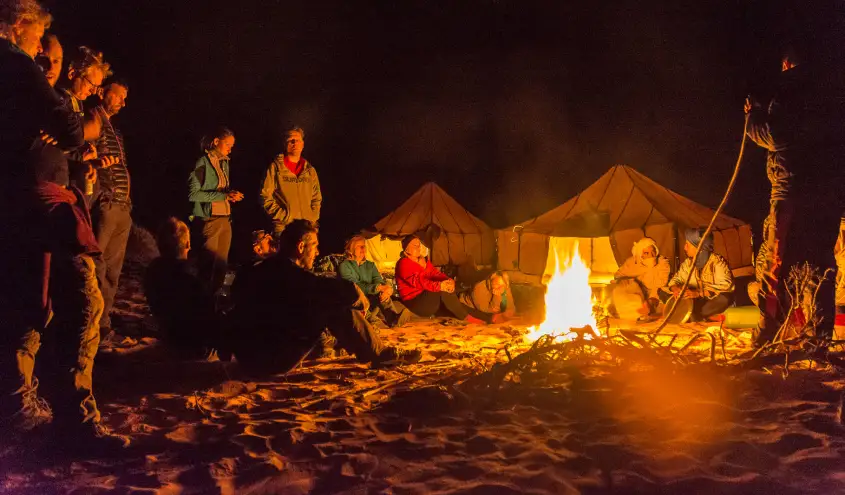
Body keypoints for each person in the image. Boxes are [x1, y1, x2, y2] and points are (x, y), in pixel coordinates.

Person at [228, 220, 421, 375]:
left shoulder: (258, 270)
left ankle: (336, 345)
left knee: (321, 299)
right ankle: (378, 353)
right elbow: (349, 292)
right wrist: (361, 301)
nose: (318, 253)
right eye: (315, 246)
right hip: (271, 360)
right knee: (333, 304)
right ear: (301, 247)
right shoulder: (296, 276)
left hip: (245, 357)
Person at [745, 45, 845, 343]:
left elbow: (778, 136)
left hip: (792, 191)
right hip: (827, 194)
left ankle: (769, 332)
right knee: (820, 262)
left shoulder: (791, 91)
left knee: (776, 263)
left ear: (788, 65)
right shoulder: (834, 96)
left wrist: (754, 118)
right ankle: (819, 335)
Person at [145, 218, 224, 359]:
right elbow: (205, 316)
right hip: (195, 347)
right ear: (188, 243)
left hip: (167, 337)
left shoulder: (153, 270)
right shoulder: (190, 276)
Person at [88, 80, 131, 341]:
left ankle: (103, 325)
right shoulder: (93, 120)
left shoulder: (114, 130)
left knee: (113, 272)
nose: (123, 103)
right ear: (104, 93)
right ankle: (90, 323)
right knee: (96, 267)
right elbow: (83, 151)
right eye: (119, 97)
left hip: (121, 206)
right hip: (105, 204)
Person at [188, 127, 244, 294]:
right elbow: (193, 194)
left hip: (225, 219)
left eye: (232, 146)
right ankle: (200, 305)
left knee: (220, 268)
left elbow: (220, 192)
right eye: (228, 144)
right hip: (209, 220)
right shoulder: (202, 162)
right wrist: (224, 196)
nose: (230, 148)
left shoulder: (224, 162)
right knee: (206, 267)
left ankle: (214, 306)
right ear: (216, 141)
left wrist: (230, 196)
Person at [395, 235, 491, 324]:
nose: (419, 247)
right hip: (415, 302)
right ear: (406, 248)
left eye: (419, 245)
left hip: (428, 298)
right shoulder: (403, 264)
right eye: (415, 245)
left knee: (454, 305)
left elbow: (435, 273)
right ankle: (467, 318)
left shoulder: (423, 260)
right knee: (443, 291)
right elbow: (419, 281)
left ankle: (487, 318)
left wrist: (448, 280)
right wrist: (440, 286)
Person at [658, 228, 735, 322]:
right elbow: (676, 280)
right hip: (693, 301)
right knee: (662, 291)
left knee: (725, 298)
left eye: (688, 245)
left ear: (699, 248)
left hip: (709, 300)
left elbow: (725, 286)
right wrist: (676, 289)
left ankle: (695, 314)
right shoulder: (688, 263)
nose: (684, 248)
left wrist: (698, 293)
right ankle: (699, 315)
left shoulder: (717, 262)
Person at [260, 127, 322, 236]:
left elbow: (316, 198)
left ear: (303, 144)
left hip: (307, 228)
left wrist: (312, 217)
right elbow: (265, 196)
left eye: (297, 140)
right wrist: (284, 216)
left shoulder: (310, 170)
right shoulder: (275, 167)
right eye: (290, 140)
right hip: (284, 228)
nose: (294, 143)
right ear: (285, 144)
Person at [339, 235, 411, 328]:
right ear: (351, 249)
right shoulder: (345, 266)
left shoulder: (370, 265)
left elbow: (378, 280)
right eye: (359, 246)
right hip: (356, 303)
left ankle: (393, 319)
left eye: (364, 246)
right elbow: (355, 286)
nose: (363, 248)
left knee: (383, 293)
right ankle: (372, 319)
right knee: (372, 292)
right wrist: (377, 288)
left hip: (372, 301)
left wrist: (386, 289)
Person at [611, 237, 671, 320]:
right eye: (647, 253)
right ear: (640, 254)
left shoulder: (662, 263)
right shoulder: (632, 263)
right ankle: (633, 316)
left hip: (655, 295)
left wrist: (650, 301)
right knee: (620, 290)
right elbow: (618, 276)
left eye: (653, 251)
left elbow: (660, 284)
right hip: (635, 295)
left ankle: (645, 313)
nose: (651, 255)